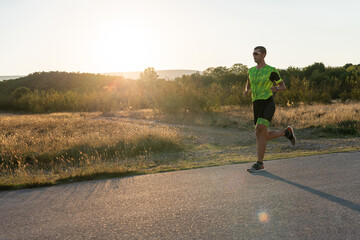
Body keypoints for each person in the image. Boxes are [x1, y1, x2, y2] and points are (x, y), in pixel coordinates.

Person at [244, 46, 296, 173]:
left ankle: (259, 164)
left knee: (259, 129)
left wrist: (276, 89)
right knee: (263, 135)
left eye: (256, 53)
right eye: (253, 53)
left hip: (267, 102)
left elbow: (283, 86)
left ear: (263, 55)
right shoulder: (250, 71)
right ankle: (286, 133)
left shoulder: (271, 70)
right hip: (256, 104)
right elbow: (248, 83)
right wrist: (247, 90)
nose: (253, 55)